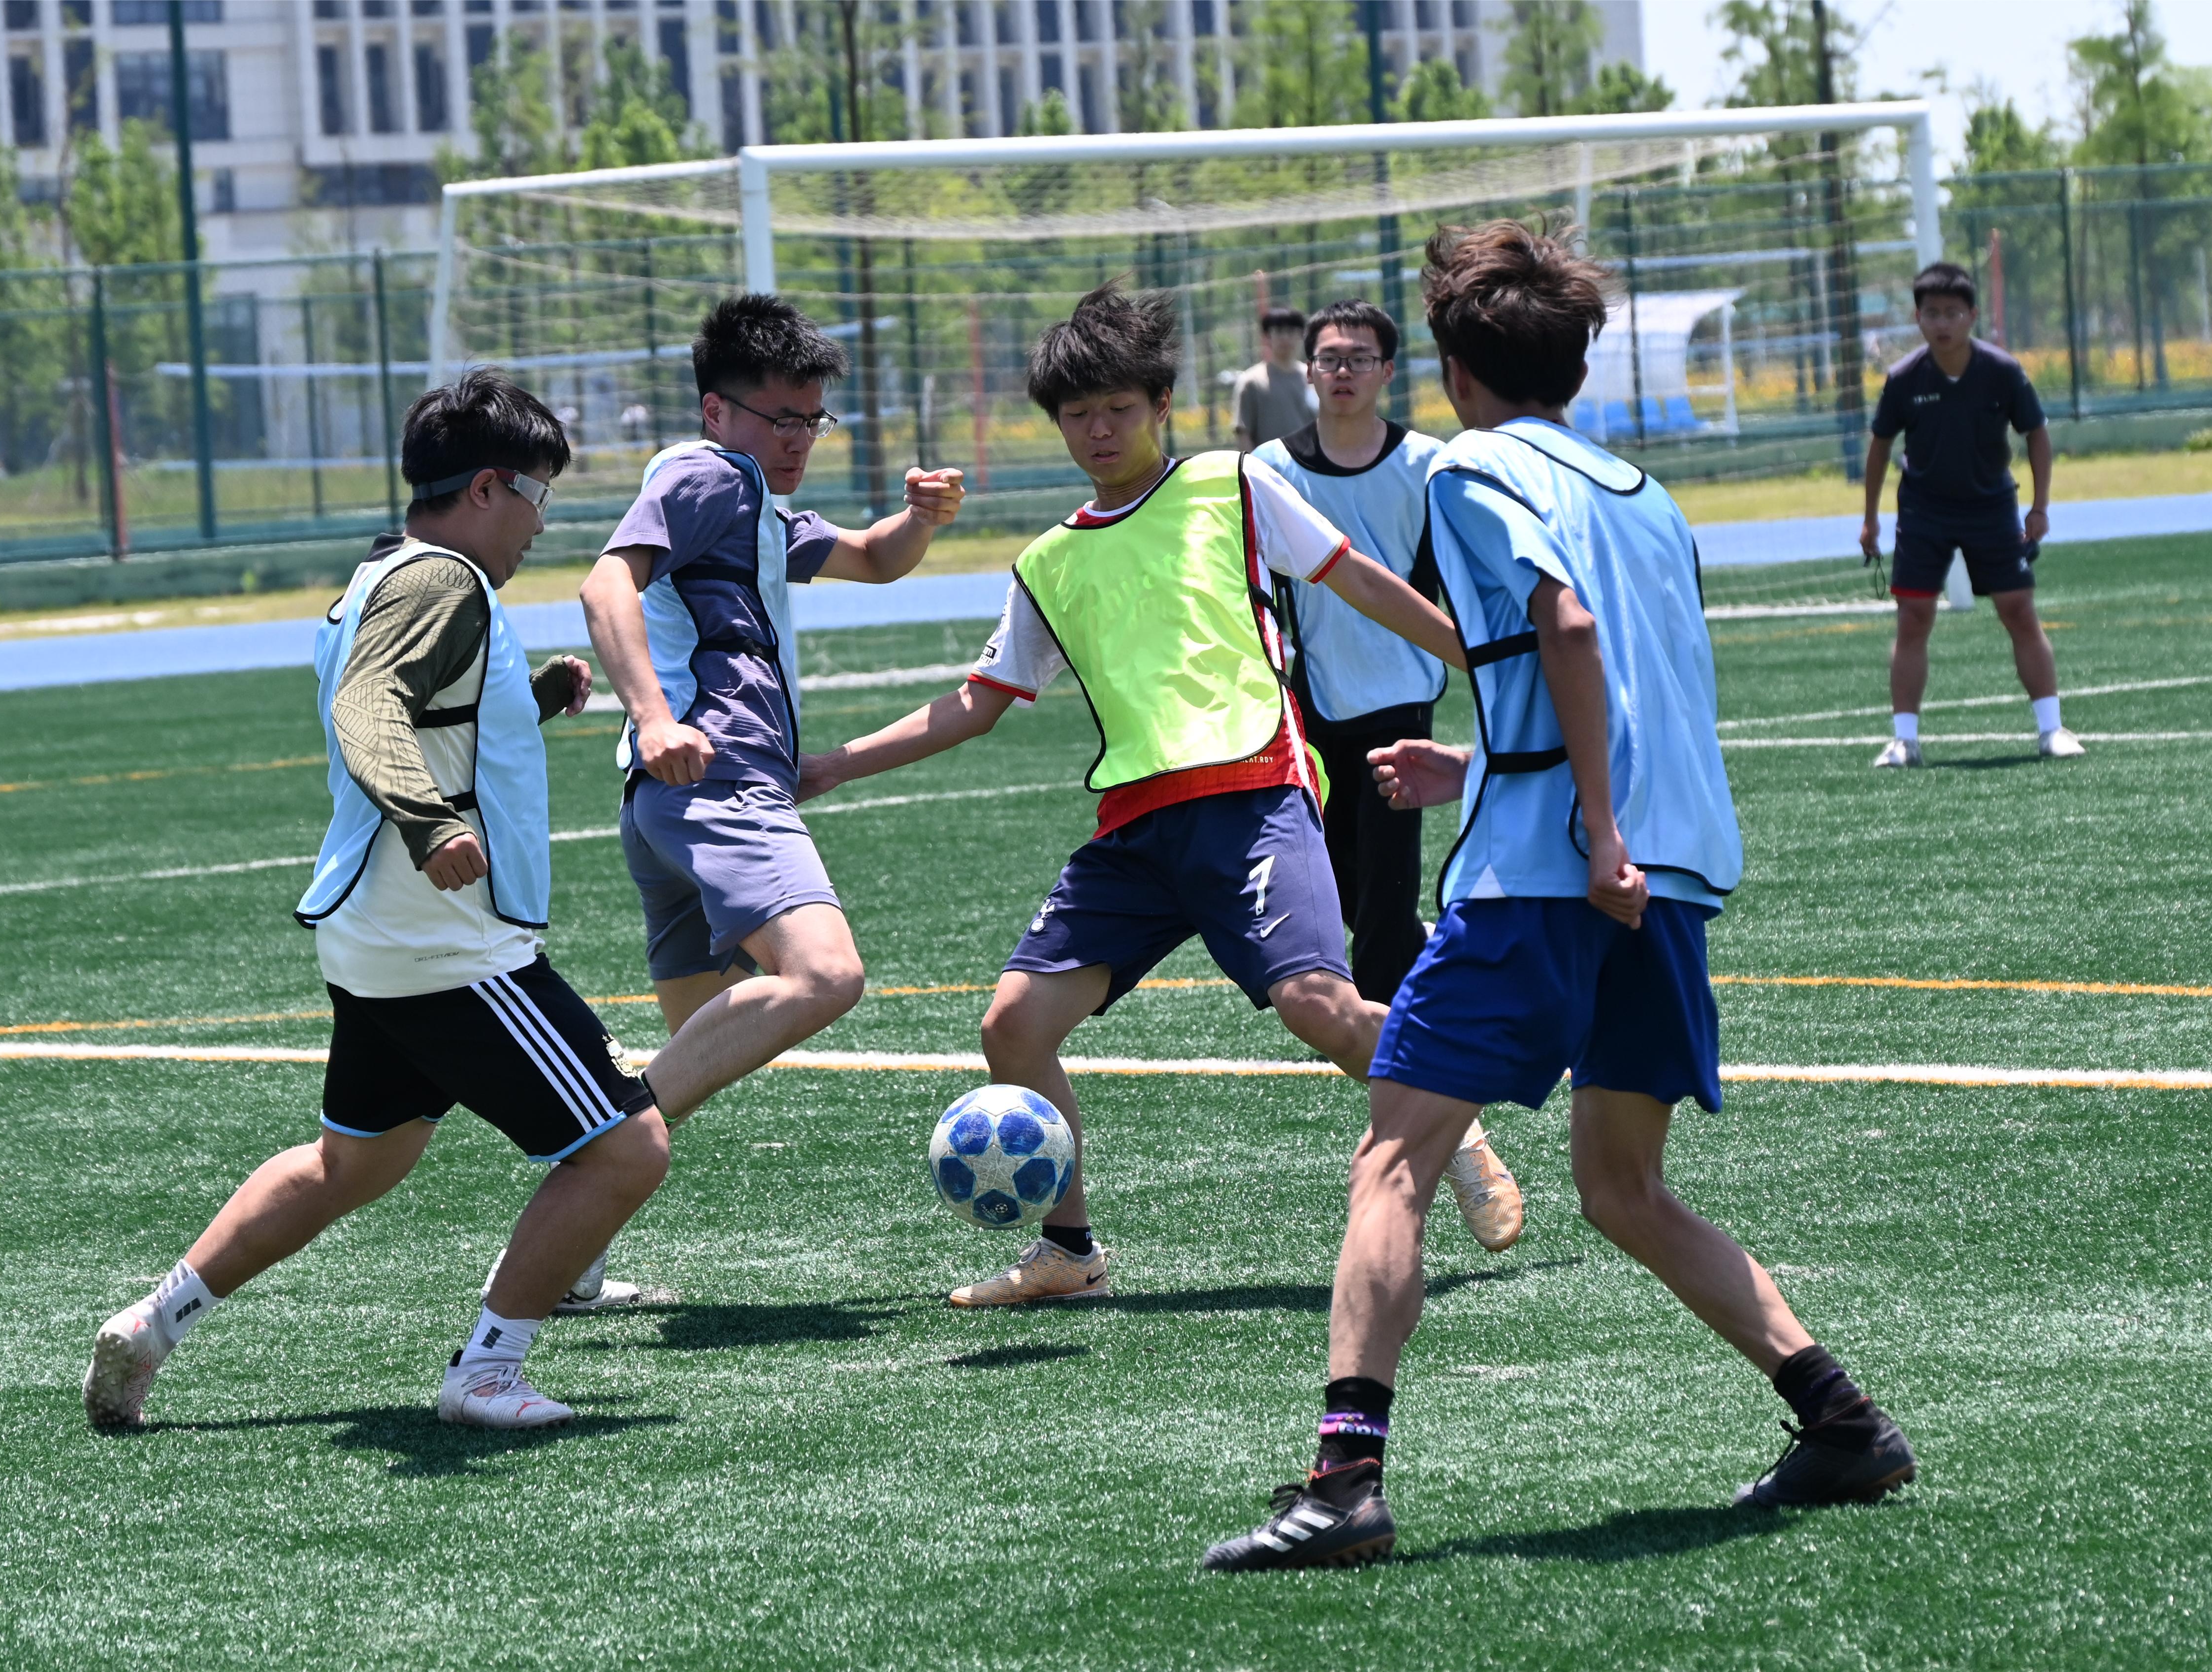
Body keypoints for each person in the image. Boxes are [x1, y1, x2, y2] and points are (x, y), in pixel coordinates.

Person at [1201, 223, 1917, 1572]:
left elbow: (1565, 629)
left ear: (1457, 371)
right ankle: (1841, 1419)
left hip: (1550, 873)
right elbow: (1635, 682)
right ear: (1575, 366)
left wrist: (1586, 828)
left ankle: (1343, 1484)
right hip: (1668, 871)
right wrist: (1490, 766)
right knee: (1622, 1186)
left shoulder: (1469, 468)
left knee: (1392, 1158)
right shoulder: (1644, 492)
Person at [797, 282, 1517, 1310]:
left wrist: (1481, 663)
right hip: (1135, 828)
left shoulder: (1233, 485)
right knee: (1013, 1025)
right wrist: (831, 764)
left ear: (1161, 405)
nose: (1098, 430)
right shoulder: (1048, 561)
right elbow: (975, 703)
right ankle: (1069, 1252)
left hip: (1254, 795)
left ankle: (1456, 1118)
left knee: (1316, 1005)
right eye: (1076, 414)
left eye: (1118, 409)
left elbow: (1357, 579)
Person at [83, 370, 674, 1432]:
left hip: (374, 937)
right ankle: (486, 1373)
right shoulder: (445, 580)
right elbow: (369, 707)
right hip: (448, 944)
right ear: (487, 487)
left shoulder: (381, 572)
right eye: (538, 494)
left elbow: (419, 709)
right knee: (626, 1146)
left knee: (353, 1161)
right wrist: (432, 824)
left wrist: (526, 700)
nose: (543, 522)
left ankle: (152, 1322)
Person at [567, 293, 965, 1253]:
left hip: (667, 806)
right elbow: (604, 583)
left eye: (812, 420)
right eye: (779, 417)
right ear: (716, 410)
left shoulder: (753, 507)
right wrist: (653, 716)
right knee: (824, 975)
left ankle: (566, 1248)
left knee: (692, 1061)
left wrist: (920, 518)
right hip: (717, 782)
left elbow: (873, 558)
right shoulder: (707, 475)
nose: (798, 439)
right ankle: (597, 1133)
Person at [1250, 301, 1516, 1255]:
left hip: (1400, 711)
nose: (1341, 371)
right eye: (1327, 358)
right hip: (1307, 719)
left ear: (1387, 372)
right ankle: (1467, 1005)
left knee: (1376, 936)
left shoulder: (1429, 467)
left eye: (1359, 357)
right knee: (1352, 916)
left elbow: (1467, 582)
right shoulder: (1266, 471)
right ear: (1307, 371)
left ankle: (1451, 1131)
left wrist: (1494, 668)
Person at [1859, 262, 2081, 768]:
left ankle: (2052, 729)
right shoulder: (1904, 378)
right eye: (1932, 313)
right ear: (1917, 318)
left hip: (1991, 507)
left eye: (1953, 313)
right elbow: (1880, 445)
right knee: (1913, 618)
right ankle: (1904, 741)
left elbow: (2036, 434)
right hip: (1924, 512)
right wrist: (1869, 518)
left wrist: (2040, 507)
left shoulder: (2002, 371)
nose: (1943, 323)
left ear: (1973, 315)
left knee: (2018, 610)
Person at [1232, 305, 1314, 452]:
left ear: (1302, 335)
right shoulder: (1252, 381)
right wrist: (1252, 465)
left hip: (1310, 463)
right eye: (1279, 331)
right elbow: (1243, 433)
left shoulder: (1313, 377)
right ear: (1267, 337)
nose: (1285, 338)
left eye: (1291, 331)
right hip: (1267, 464)